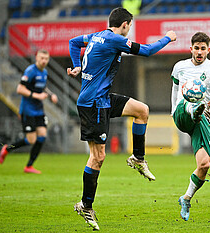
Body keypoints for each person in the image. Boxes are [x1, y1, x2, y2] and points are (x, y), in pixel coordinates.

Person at [67, 7, 176, 231]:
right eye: (130, 26)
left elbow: (73, 42)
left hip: (103, 99)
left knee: (141, 110)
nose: (130, 30)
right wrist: (168, 38)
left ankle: (138, 157)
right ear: (125, 25)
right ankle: (85, 205)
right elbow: (145, 50)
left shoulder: (95, 36)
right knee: (98, 157)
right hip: (93, 104)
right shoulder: (115, 40)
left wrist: (77, 65)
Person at [170, 32, 210, 221]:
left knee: (204, 165)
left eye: (203, 49)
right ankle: (193, 108)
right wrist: (173, 109)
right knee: (189, 102)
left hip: (203, 118)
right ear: (191, 48)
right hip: (182, 113)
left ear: (208, 50)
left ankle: (186, 198)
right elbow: (176, 89)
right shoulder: (180, 67)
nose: (199, 52)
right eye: (196, 48)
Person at [0, 49, 58, 174]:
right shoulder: (30, 71)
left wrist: (51, 94)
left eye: (46, 59)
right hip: (28, 110)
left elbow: (43, 87)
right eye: (41, 58)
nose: (44, 61)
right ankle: (8, 148)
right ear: (36, 58)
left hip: (39, 111)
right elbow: (20, 89)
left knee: (42, 136)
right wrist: (37, 96)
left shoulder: (44, 72)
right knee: (31, 140)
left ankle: (29, 166)